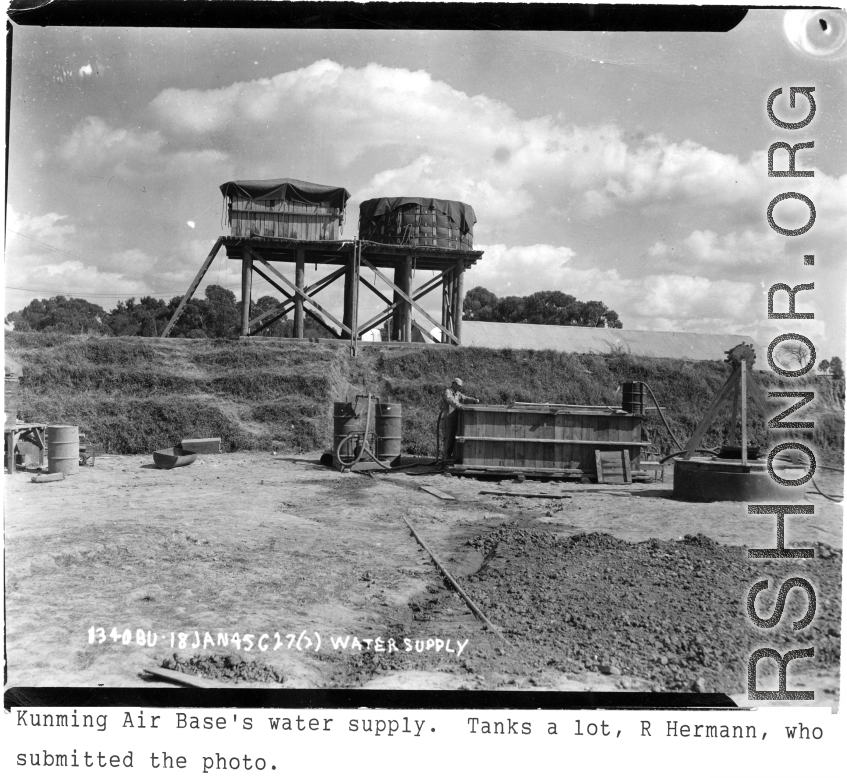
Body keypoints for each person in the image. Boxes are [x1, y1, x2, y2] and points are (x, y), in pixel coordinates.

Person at [440, 378, 480, 461]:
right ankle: (445, 459)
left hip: (455, 417)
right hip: (448, 418)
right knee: (448, 438)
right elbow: (450, 400)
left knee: (453, 438)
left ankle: (448, 456)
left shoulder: (457, 393)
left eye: (460, 386)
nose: (460, 388)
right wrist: (459, 406)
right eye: (458, 386)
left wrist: (473, 400)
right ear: (454, 384)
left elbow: (464, 398)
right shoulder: (448, 392)